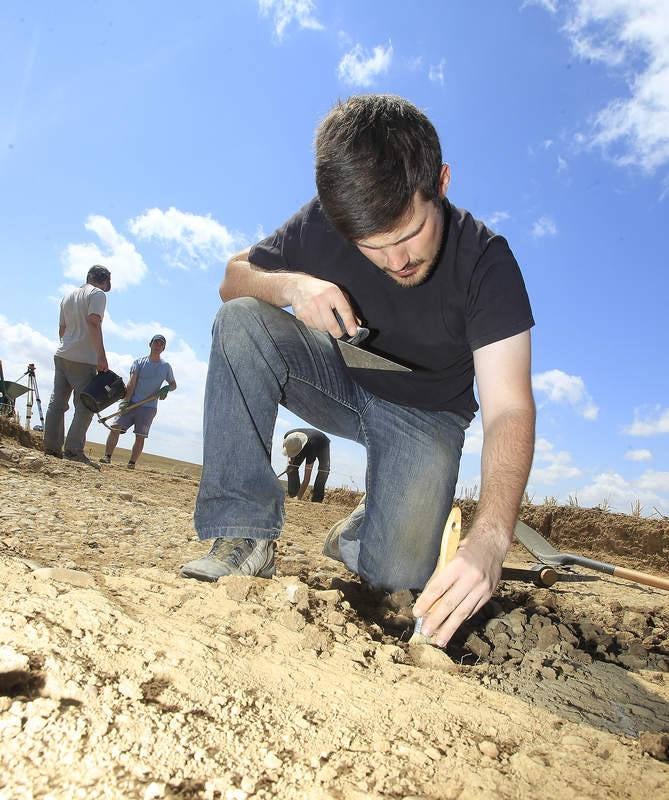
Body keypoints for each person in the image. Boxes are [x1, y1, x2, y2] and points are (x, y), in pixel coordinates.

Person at [182, 94, 535, 648]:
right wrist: (292, 286)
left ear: (441, 182)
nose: (396, 262)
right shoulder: (326, 223)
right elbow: (232, 278)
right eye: (372, 247)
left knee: (398, 576)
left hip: (428, 413)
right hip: (344, 378)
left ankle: (371, 521)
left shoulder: (487, 262)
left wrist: (490, 538)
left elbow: (510, 406)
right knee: (243, 320)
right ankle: (243, 536)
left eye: (408, 235)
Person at [43, 265, 112, 465]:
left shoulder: (68, 295)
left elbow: (62, 328)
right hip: (83, 358)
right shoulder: (98, 294)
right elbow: (93, 321)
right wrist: (101, 356)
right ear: (106, 280)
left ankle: (51, 447)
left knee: (57, 402)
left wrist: (67, 346)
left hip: (63, 354)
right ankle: (73, 451)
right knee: (85, 406)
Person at [99, 334, 176, 469]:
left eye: (161, 344)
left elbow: (173, 384)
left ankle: (131, 463)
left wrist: (166, 388)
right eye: (156, 342)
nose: (158, 345)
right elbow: (132, 383)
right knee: (115, 427)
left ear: (163, 348)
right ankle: (107, 457)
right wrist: (125, 401)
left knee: (140, 436)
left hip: (149, 407)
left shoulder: (166, 367)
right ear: (150, 344)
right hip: (132, 402)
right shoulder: (139, 362)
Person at [283, 428, 331, 502]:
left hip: (321, 442)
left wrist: (299, 497)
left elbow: (307, 478)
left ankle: (316, 500)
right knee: (291, 469)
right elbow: (289, 451)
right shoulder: (287, 436)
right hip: (304, 443)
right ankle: (293, 494)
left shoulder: (311, 447)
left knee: (324, 470)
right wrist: (290, 462)